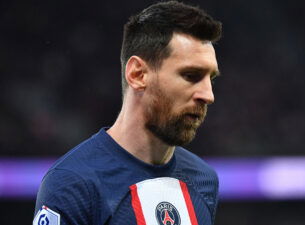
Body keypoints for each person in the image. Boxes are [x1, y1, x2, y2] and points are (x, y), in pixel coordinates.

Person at [33, 1, 222, 225]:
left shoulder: (204, 180)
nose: (208, 95)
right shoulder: (73, 185)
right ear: (138, 74)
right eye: (191, 75)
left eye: (210, 79)